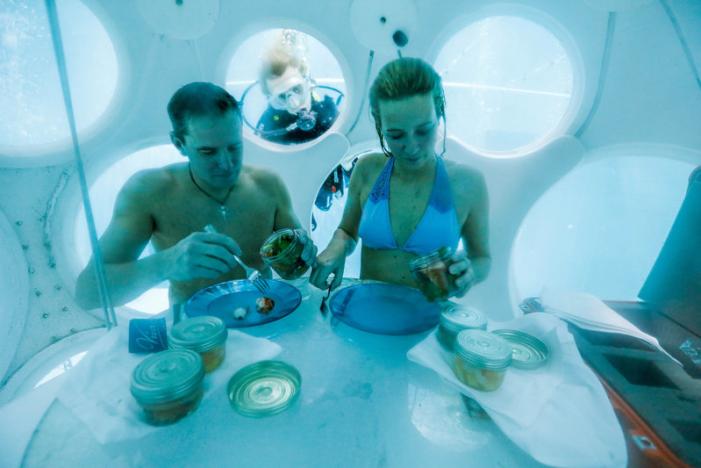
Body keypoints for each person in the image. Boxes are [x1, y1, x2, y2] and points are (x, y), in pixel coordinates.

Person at [76, 82, 316, 309]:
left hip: (263, 313)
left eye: (234, 146)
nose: (226, 163)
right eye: (207, 152)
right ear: (179, 143)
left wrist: (303, 255)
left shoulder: (268, 184)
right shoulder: (149, 192)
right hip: (197, 332)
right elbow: (88, 293)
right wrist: (166, 264)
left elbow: (294, 269)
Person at [310, 58, 491, 298]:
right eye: (396, 135)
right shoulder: (367, 169)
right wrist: (338, 245)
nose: (411, 146)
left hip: (429, 322)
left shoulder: (468, 183)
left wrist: (470, 272)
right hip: (368, 313)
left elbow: (481, 258)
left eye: (423, 131)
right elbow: (347, 231)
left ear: (439, 115)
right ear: (380, 126)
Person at [255, 30, 339, 144]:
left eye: (296, 89)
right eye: (282, 96)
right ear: (273, 101)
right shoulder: (269, 127)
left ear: (308, 83)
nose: (294, 103)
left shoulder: (327, 110)